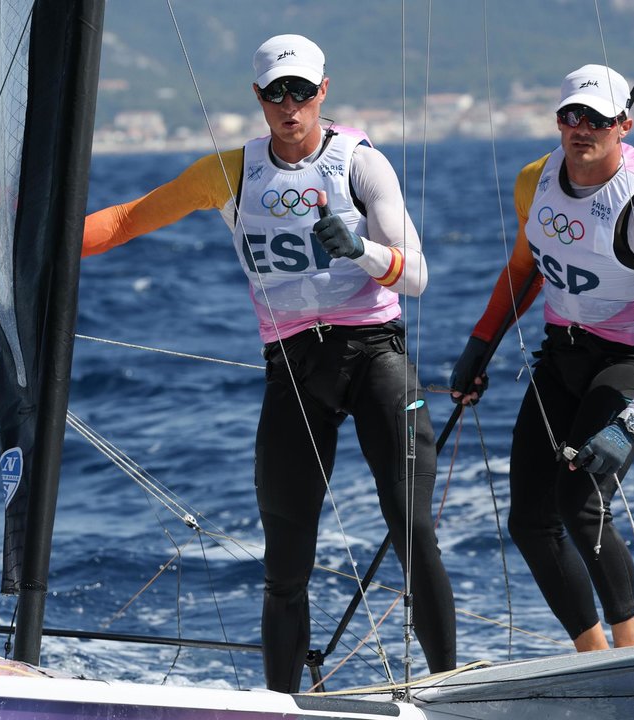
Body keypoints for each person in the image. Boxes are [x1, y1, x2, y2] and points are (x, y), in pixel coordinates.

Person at [82, 34, 456, 691]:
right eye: (277, 93)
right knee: (285, 565)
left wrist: (362, 251)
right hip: (294, 368)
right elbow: (123, 222)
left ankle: (452, 687)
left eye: (303, 91)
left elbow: (417, 275)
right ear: (258, 98)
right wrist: (29, 240)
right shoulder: (229, 173)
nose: (291, 106)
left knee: (411, 529)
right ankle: (282, 704)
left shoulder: (360, 165)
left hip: (374, 355)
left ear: (323, 92)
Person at [450, 64, 634, 652]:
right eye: (570, 116)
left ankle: (632, 655)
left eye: (597, 119)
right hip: (561, 352)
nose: (581, 129)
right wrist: (478, 345)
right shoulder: (536, 179)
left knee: (581, 501)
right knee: (528, 522)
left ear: (624, 126)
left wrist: (632, 421)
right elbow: (524, 270)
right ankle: (592, 660)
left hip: (630, 360)